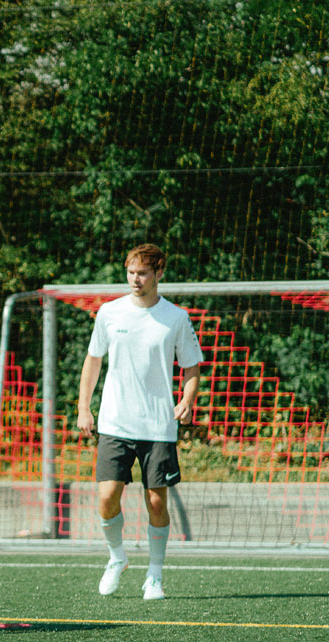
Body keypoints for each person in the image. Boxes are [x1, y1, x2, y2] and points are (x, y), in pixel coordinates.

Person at [75, 244, 202, 601]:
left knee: (156, 502)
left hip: (158, 426)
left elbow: (191, 365)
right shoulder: (110, 313)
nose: (136, 279)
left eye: (143, 273)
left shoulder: (176, 317)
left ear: (159, 273)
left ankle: (155, 576)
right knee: (106, 496)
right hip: (115, 421)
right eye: (131, 272)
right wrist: (84, 407)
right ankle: (117, 558)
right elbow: (93, 360)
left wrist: (187, 400)